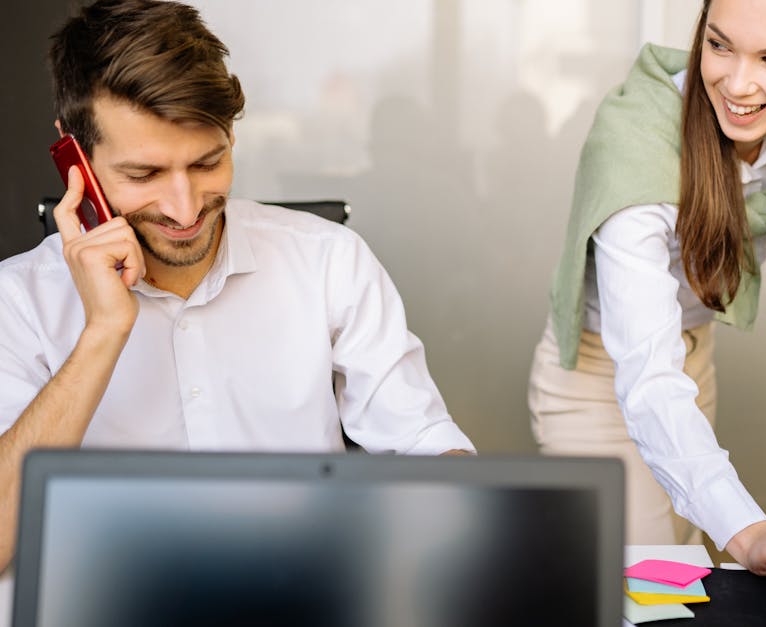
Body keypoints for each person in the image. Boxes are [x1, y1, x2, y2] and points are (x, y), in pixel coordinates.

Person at [0, 0, 474, 569]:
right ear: (73, 157)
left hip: (297, 587)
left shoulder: (327, 260)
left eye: (207, 163)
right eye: (144, 174)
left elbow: (427, 448)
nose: (184, 207)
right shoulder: (20, 299)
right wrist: (103, 332)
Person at [529, 0, 766, 594]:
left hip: (692, 365)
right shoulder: (636, 146)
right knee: (652, 589)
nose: (738, 84)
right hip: (598, 382)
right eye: (719, 46)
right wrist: (747, 533)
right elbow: (648, 380)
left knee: (686, 565)